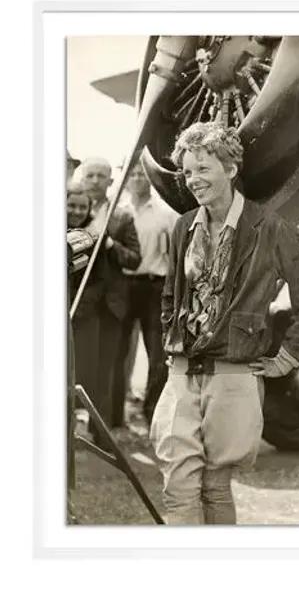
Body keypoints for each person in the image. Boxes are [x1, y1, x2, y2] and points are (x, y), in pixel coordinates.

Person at [150, 122, 299, 525]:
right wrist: (171, 343)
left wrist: (287, 358)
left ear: (230, 169)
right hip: (182, 373)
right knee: (177, 488)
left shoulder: (269, 228)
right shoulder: (184, 227)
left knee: (215, 487)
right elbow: (169, 296)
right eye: (188, 171)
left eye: (203, 169)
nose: (193, 180)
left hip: (233, 376)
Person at [67, 160, 141, 430]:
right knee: (75, 369)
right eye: (90, 175)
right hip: (80, 304)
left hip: (109, 305)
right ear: (81, 178)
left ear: (111, 181)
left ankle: (105, 431)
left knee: (106, 371)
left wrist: (110, 244)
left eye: (102, 176)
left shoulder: (121, 217)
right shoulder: (70, 211)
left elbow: (134, 259)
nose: (95, 181)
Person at [112, 164, 179, 426]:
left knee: (158, 356)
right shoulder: (117, 212)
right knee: (118, 353)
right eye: (133, 174)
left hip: (155, 287)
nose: (138, 178)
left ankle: (154, 416)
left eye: (142, 173)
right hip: (123, 286)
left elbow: (176, 253)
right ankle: (115, 417)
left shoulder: (166, 214)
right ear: (125, 179)